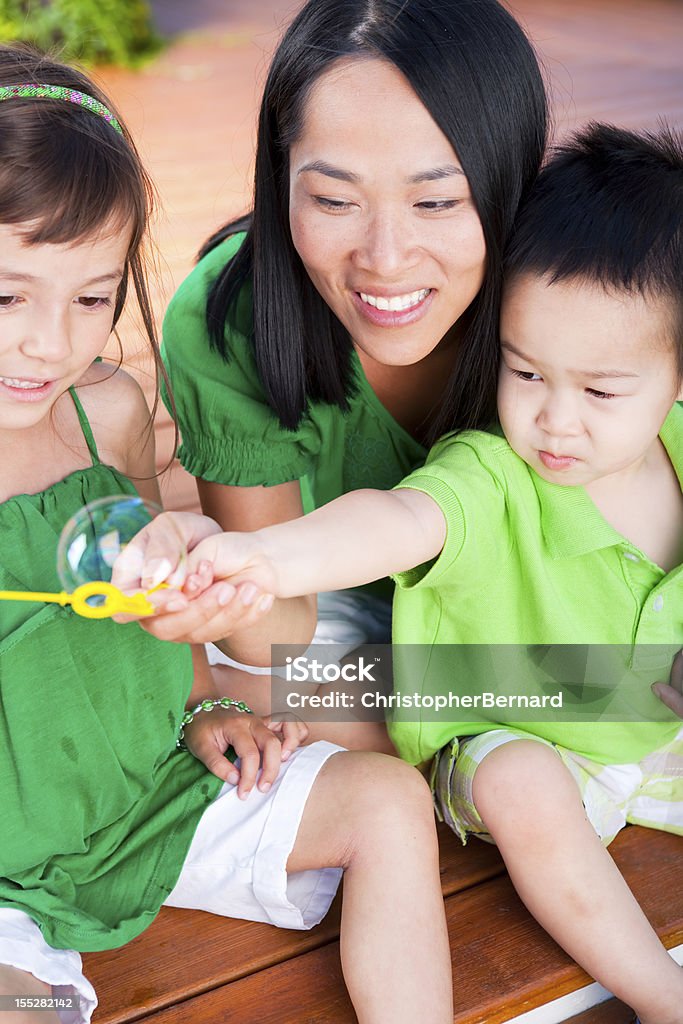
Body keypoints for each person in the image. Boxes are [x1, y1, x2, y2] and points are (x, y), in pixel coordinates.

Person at [120, 123, 683, 1024]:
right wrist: (266, 556)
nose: (553, 421)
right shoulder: (491, 468)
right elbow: (393, 518)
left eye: (600, 390)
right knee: (510, 775)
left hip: (641, 720)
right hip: (502, 723)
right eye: (523, 371)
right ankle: (660, 993)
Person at [0, 46, 453, 1024]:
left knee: (386, 799)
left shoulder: (105, 410)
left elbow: (150, 595)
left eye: (91, 297)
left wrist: (203, 706)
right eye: (8, 296)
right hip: (5, 854)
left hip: (145, 785)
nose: (50, 340)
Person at [136, 0, 549, 741]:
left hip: (549, 607)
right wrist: (233, 590)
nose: (385, 259)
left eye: (437, 200)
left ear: (508, 181)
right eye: (332, 199)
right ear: (278, 178)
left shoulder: (578, 296)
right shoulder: (230, 319)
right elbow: (281, 639)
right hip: (348, 604)